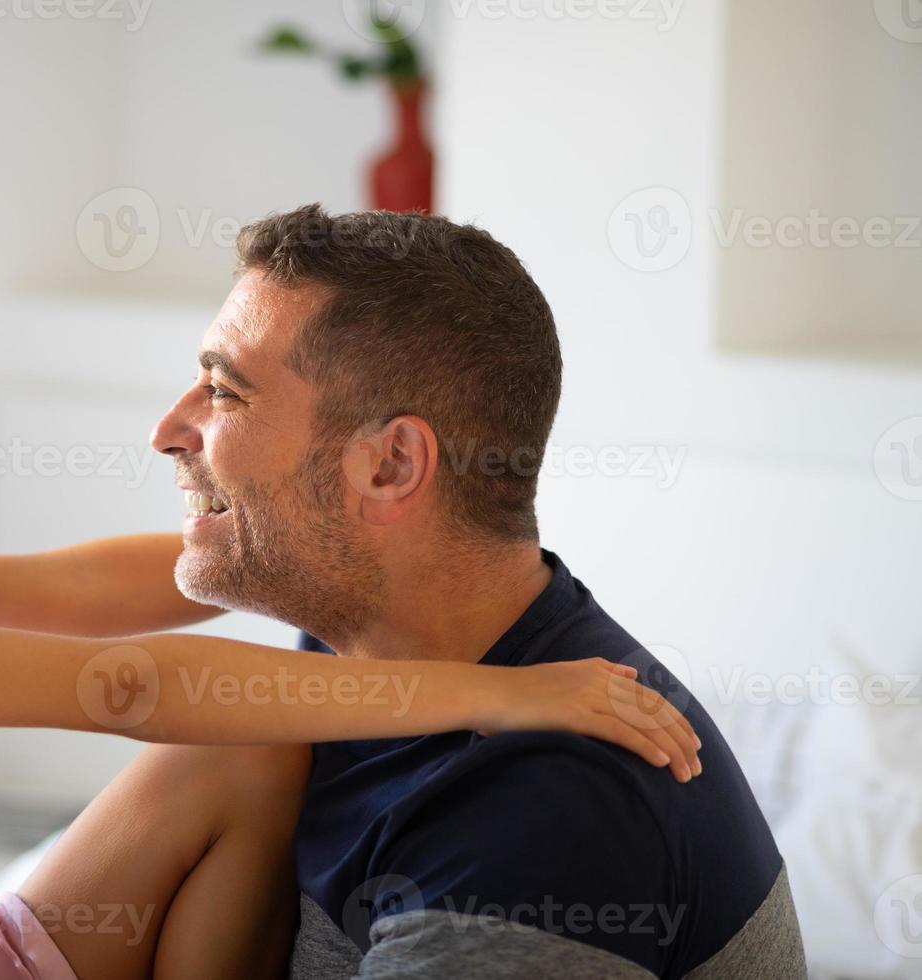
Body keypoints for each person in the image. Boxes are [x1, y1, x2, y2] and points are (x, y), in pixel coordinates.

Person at [0, 140, 698, 980]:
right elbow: (136, 689)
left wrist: (259, 547)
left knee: (242, 764)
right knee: (227, 738)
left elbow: (69, 589)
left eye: (226, 387)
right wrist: (497, 693)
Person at [144, 204, 806, 978]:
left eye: (225, 392)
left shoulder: (546, 819)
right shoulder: (347, 636)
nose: (167, 429)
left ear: (389, 466)